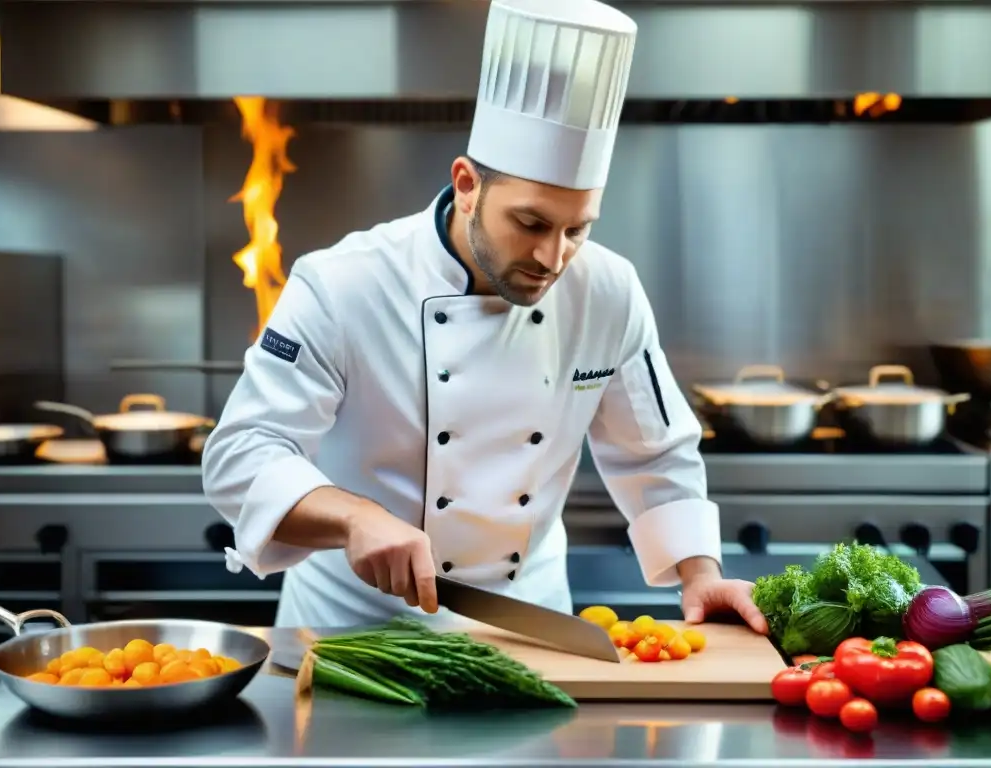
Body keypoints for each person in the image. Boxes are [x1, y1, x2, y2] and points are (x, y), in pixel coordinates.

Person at [202, 0, 769, 635]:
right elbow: (241, 455)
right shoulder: (342, 283)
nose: (553, 258)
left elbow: (655, 454)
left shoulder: (607, 289)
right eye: (530, 224)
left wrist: (701, 572)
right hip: (353, 633)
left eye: (577, 230)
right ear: (467, 184)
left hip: (531, 628)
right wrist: (355, 517)